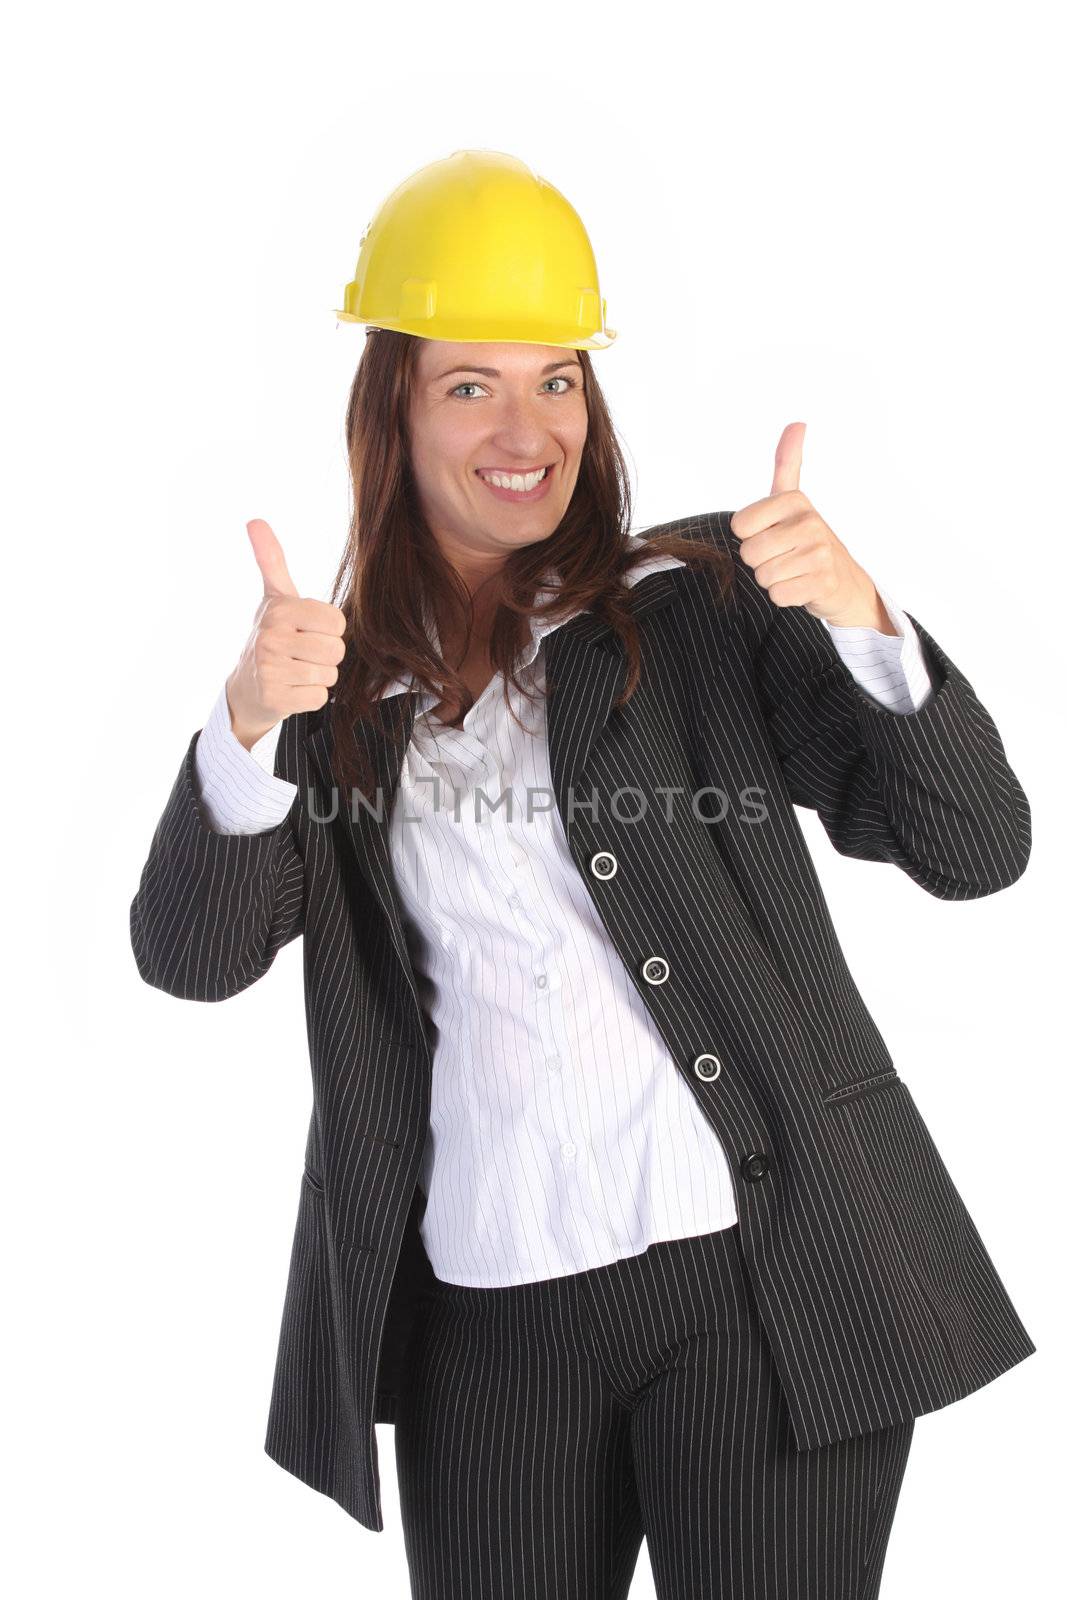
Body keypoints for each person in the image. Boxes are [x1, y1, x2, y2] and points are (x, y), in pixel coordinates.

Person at [130, 151, 1035, 1600]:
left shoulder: (699, 607)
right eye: (471, 383)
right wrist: (245, 724)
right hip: (488, 1320)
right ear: (396, 411)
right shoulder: (338, 693)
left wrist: (862, 619)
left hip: (763, 1289)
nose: (525, 426)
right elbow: (189, 957)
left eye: (557, 380)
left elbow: (977, 848)